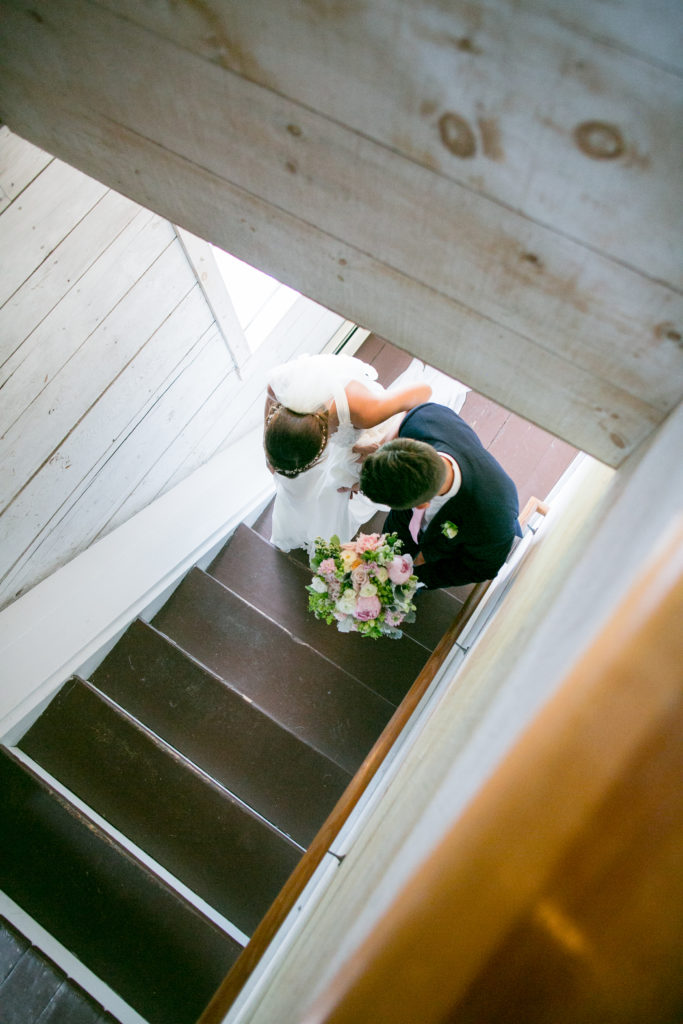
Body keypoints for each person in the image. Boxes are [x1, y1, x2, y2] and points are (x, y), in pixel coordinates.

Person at [264, 352, 433, 553]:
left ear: (324, 443)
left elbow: (424, 392)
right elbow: (270, 393)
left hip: (356, 432)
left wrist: (382, 443)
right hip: (307, 437)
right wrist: (268, 453)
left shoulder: (365, 410)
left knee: (331, 490)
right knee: (298, 485)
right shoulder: (282, 385)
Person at [359, 402, 522, 589]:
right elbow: (407, 412)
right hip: (405, 525)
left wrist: (413, 578)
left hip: (450, 549)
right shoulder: (423, 420)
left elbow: (480, 569)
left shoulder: (491, 523)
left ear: (421, 506)